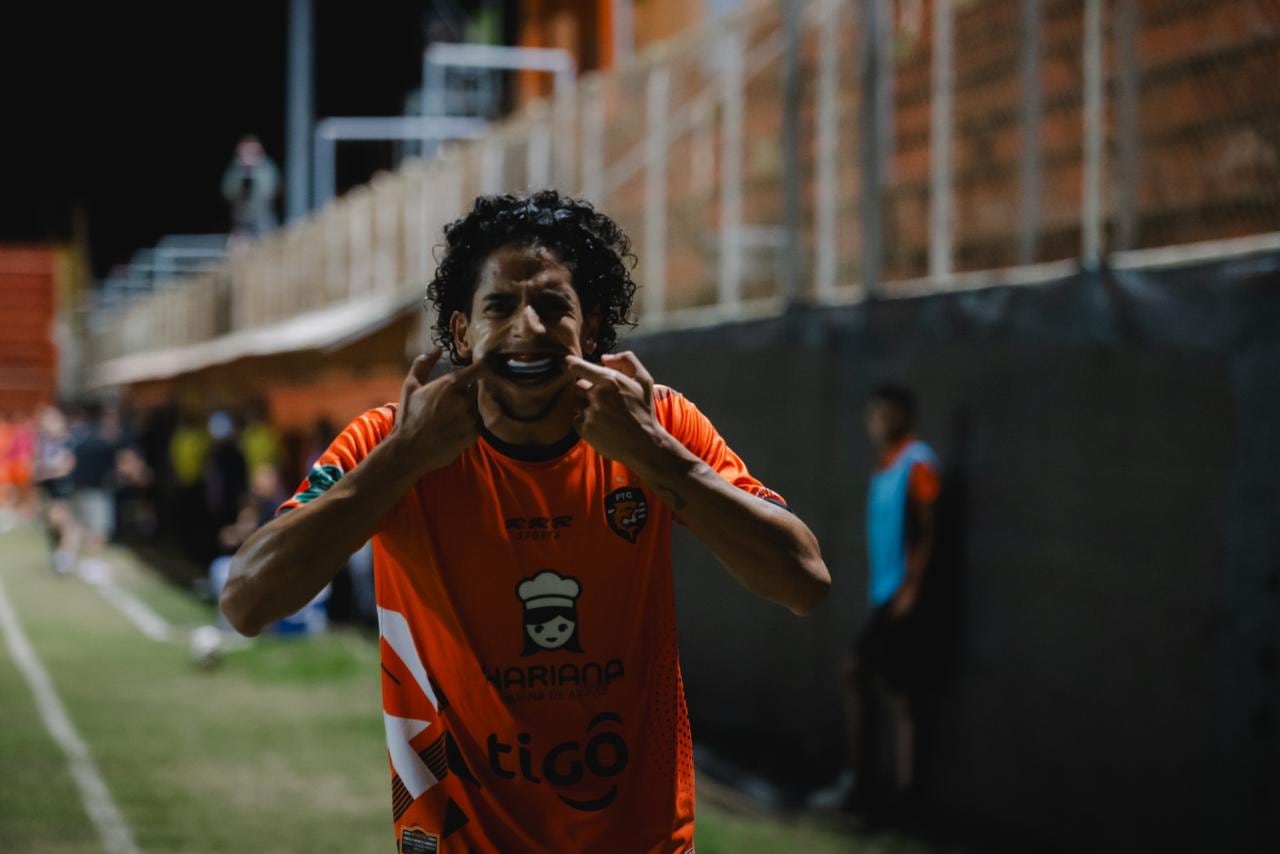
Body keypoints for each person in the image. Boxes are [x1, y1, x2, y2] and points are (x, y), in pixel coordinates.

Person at [221, 191, 830, 850]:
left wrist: (657, 459)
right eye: (500, 306)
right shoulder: (393, 441)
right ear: (461, 333)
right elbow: (248, 601)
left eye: (552, 306)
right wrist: (402, 461)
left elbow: (804, 581)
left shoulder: (654, 427)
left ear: (589, 328)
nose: (527, 328)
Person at [826, 384, 940, 821]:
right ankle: (868, 783)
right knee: (869, 678)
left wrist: (912, 589)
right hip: (886, 596)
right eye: (875, 415)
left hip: (904, 599)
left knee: (901, 694)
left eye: (887, 415)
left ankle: (902, 795)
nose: (879, 423)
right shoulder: (884, 466)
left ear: (904, 416)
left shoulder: (919, 463)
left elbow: (931, 529)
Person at [221, 135, 280, 248]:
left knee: (267, 247)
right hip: (241, 218)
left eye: (252, 151)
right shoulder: (235, 169)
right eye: (245, 151)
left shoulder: (267, 168)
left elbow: (269, 192)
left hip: (263, 218)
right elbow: (227, 192)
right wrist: (241, 174)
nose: (248, 154)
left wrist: (254, 174)